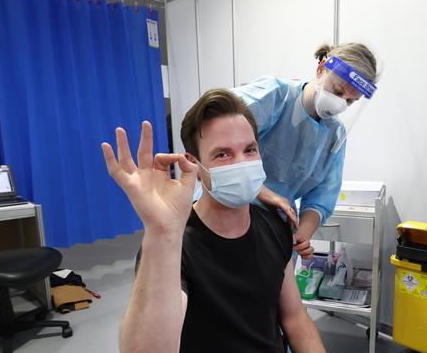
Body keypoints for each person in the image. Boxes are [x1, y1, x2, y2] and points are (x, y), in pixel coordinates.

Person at [102, 89, 326, 353]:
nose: (241, 163)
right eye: (223, 154)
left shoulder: (273, 226)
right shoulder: (175, 246)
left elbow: (294, 316)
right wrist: (161, 232)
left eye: (249, 149)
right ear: (195, 165)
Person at [233, 43, 379, 261]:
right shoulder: (275, 96)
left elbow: (322, 196)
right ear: (321, 69)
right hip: (229, 208)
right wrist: (267, 196)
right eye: (338, 91)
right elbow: (219, 144)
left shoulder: (334, 134)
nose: (341, 104)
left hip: (276, 228)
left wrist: (302, 236)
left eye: (350, 101)